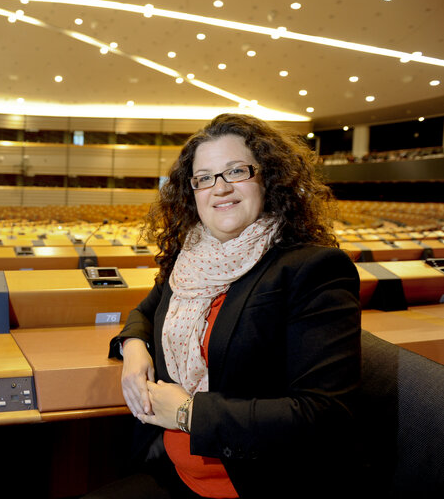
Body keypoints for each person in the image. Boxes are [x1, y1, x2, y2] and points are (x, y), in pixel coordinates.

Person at [87, 113, 362, 499]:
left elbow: (324, 415)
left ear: (268, 177)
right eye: (204, 178)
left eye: (235, 171)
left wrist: (187, 413)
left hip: (248, 482)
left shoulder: (311, 269)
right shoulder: (191, 259)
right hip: (170, 467)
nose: (219, 188)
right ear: (191, 192)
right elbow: (146, 311)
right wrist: (133, 348)